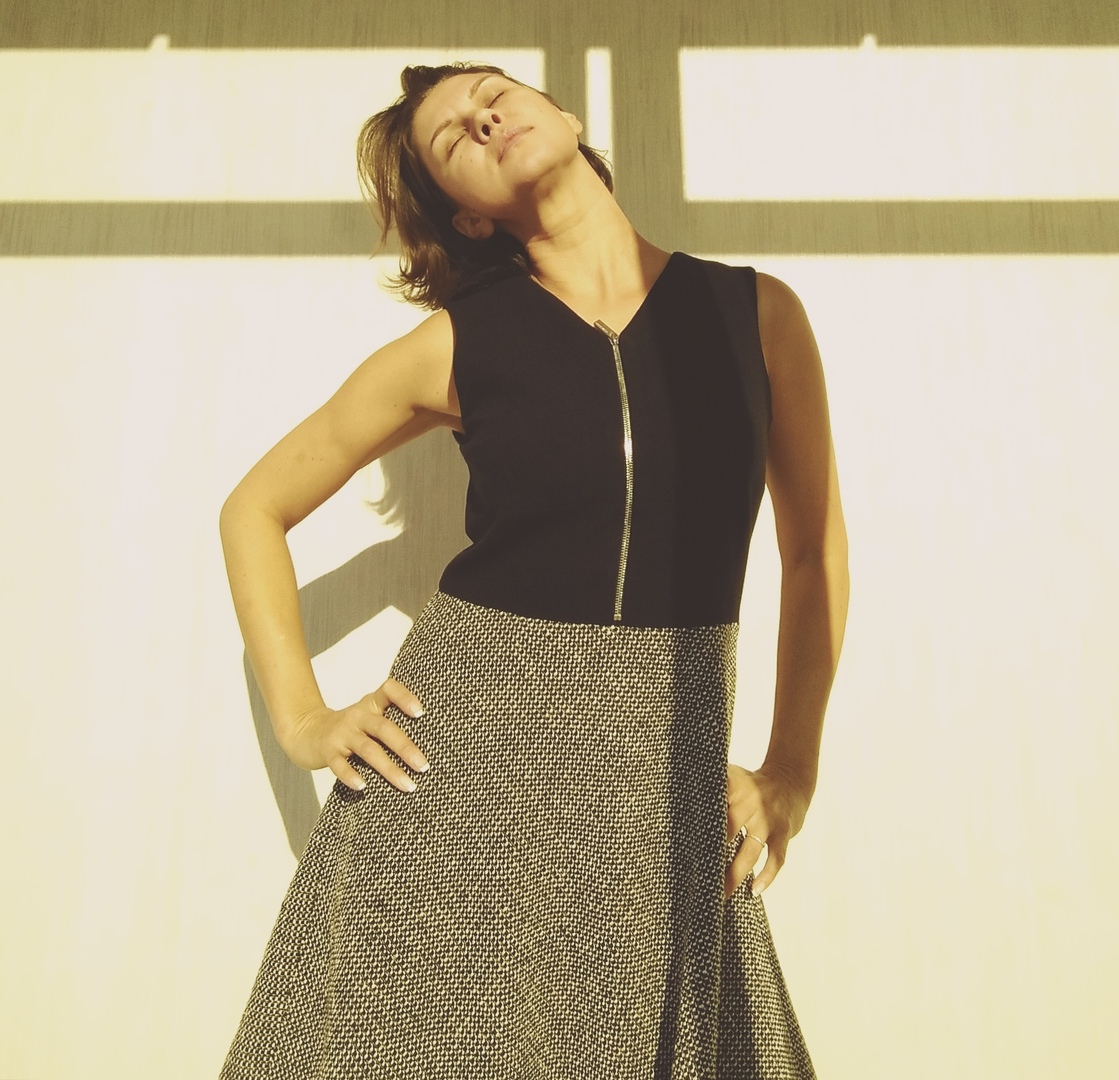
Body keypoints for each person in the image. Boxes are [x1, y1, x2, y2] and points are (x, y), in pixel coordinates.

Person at [218, 60, 849, 1079]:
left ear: (560, 111)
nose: (483, 117)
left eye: (492, 93)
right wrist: (303, 721)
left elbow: (812, 552)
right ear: (466, 215)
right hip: (459, 779)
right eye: (452, 137)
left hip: (662, 775)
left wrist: (792, 772)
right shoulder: (454, 346)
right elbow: (253, 507)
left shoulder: (755, 313)